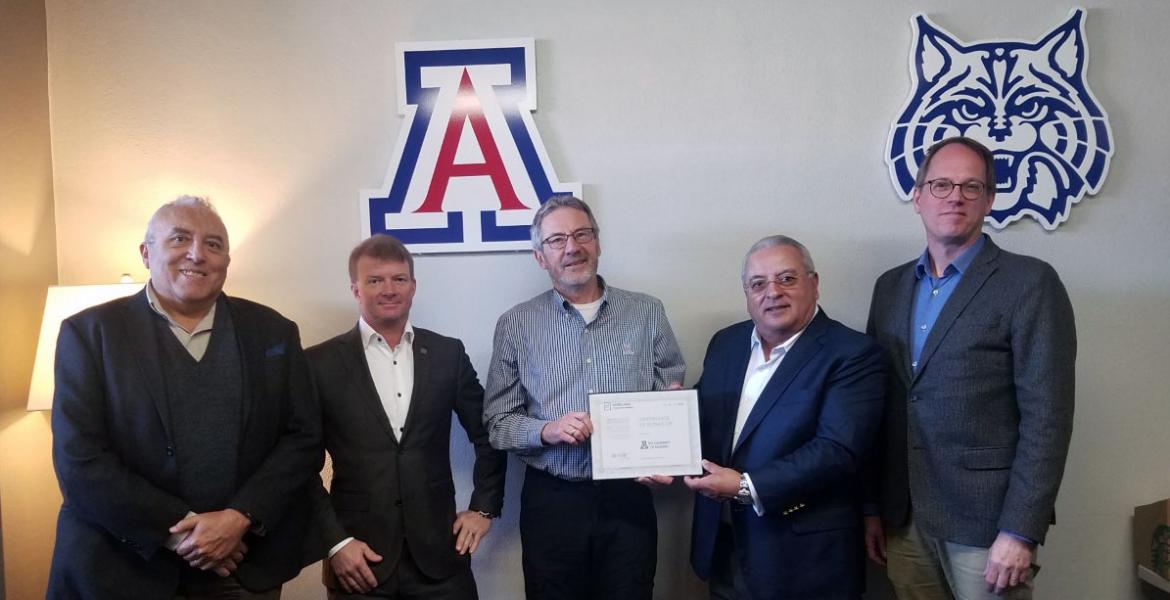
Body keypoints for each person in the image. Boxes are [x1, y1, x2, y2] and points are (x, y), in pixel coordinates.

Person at [48, 195, 322, 599]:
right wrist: (181, 533)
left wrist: (238, 518)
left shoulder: (273, 332)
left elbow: (303, 439)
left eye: (213, 244)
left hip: (240, 566)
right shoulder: (89, 334)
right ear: (146, 252)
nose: (197, 253)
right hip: (119, 568)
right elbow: (79, 460)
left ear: (227, 260)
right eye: (179, 239)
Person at [864, 137, 1077, 599]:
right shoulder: (890, 287)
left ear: (990, 199)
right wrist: (873, 508)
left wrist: (1021, 531)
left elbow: (1049, 419)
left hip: (987, 524)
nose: (955, 196)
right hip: (905, 518)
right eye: (941, 185)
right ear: (918, 197)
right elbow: (880, 406)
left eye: (970, 186)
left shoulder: (1030, 283)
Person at [483, 195, 686, 600]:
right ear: (540, 257)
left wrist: (668, 456)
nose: (572, 247)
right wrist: (547, 430)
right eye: (557, 240)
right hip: (553, 501)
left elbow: (671, 396)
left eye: (582, 234)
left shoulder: (647, 312)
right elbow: (497, 425)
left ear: (598, 242)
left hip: (629, 498)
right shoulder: (516, 324)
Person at [683, 235, 885, 599]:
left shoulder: (854, 355)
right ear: (746, 293)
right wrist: (663, 438)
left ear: (814, 283)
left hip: (805, 562)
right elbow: (701, 420)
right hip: (726, 550)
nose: (772, 292)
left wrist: (746, 486)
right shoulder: (726, 343)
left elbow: (837, 450)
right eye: (758, 284)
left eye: (787, 278)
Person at [306, 234, 507, 599]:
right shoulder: (317, 364)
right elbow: (300, 463)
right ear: (355, 289)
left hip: (441, 560)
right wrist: (335, 542)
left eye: (399, 279)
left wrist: (483, 508)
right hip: (358, 563)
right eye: (374, 280)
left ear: (413, 286)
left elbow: (489, 431)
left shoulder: (448, 353)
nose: (389, 289)